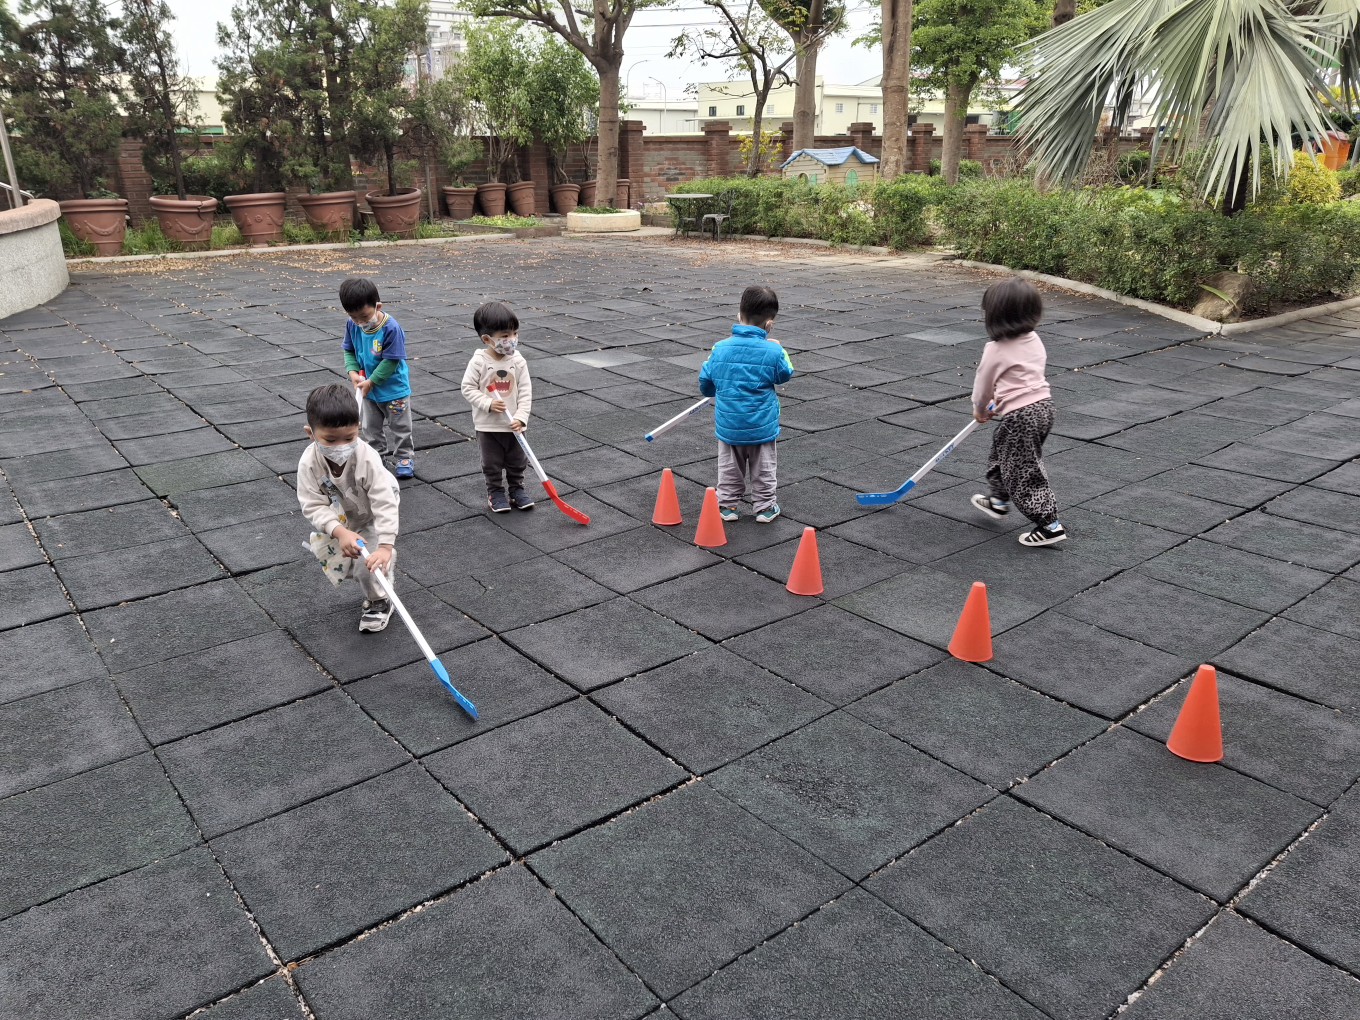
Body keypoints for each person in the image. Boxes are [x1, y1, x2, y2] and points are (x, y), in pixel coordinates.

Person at [968, 277, 1066, 547]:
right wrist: (1001, 399)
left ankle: (1050, 525)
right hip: (1044, 408)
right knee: (1003, 456)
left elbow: (983, 386)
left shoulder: (995, 349)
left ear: (995, 316)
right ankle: (998, 500)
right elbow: (1024, 376)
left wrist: (980, 409)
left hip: (1021, 416)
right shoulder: (1034, 339)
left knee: (1023, 470)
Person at [296, 382, 401, 632]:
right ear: (310, 433)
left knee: (369, 565)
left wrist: (385, 546)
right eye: (330, 440)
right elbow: (312, 505)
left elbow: (384, 502)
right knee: (348, 563)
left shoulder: (367, 458)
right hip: (344, 515)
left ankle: (380, 600)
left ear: (358, 429)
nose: (340, 447)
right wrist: (340, 532)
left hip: (373, 511)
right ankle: (375, 572)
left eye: (349, 438)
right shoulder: (309, 464)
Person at [698, 285, 794, 523]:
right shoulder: (773, 351)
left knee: (730, 468)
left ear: (739, 315)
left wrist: (713, 389)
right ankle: (765, 507)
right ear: (769, 324)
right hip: (761, 426)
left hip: (730, 425)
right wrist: (779, 349)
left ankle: (726, 505)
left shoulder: (719, 349)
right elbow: (785, 374)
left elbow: (706, 383)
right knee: (764, 469)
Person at [460, 300, 535, 513]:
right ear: (487, 339)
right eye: (505, 336)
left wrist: (521, 418)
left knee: (517, 461)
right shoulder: (479, 362)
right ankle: (495, 491)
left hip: (514, 425)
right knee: (491, 463)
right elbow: (467, 388)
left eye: (515, 334)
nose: (512, 339)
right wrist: (488, 403)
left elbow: (526, 391)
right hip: (488, 425)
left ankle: (517, 489)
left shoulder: (518, 361)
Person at [341, 277, 415, 479]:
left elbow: (391, 361)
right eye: (354, 317)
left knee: (400, 426)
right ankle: (377, 457)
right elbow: (349, 350)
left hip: (394, 390)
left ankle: (404, 456)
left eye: (364, 317)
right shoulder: (352, 325)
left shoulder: (391, 328)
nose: (360, 322)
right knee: (370, 428)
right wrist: (353, 372)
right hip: (367, 390)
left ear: (378, 306)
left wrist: (372, 381)